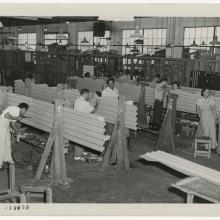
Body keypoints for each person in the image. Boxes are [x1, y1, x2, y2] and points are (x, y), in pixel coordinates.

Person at [0, 103, 29, 168]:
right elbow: (6, 115)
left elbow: (12, 125)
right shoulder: (16, 109)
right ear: (23, 108)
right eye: (25, 111)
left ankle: (7, 159)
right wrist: (16, 118)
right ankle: (0, 164)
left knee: (7, 143)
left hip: (5, 125)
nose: (24, 112)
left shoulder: (17, 113)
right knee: (1, 145)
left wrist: (19, 131)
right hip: (1, 124)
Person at [73, 89, 98, 160]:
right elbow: (94, 110)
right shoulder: (84, 102)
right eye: (88, 95)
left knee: (81, 137)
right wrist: (97, 103)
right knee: (82, 137)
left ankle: (81, 151)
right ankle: (78, 156)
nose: (89, 96)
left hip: (76, 122)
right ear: (85, 94)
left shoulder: (77, 100)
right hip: (82, 123)